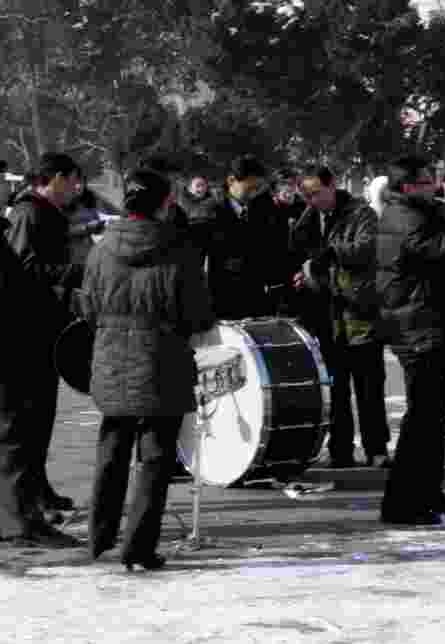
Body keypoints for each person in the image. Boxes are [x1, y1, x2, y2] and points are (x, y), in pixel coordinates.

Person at [80, 168, 215, 570]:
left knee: (111, 450)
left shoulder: (101, 249)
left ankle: (98, 537)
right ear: (164, 203)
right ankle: (138, 548)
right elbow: (197, 314)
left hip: (111, 359)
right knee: (155, 459)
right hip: (162, 361)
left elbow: (87, 308)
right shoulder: (178, 249)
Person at [375, 155, 445, 525]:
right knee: (420, 417)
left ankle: (429, 492)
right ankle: (402, 504)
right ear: (407, 187)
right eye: (426, 182)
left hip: (426, 321)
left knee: (432, 417)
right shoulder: (405, 218)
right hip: (415, 325)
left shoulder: (413, 213)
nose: (434, 186)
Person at [4, 152, 85, 514]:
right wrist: (74, 273)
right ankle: (26, 502)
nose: (76, 188)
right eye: (71, 180)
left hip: (50, 326)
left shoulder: (47, 213)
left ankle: (39, 487)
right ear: (53, 179)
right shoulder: (28, 212)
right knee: (28, 419)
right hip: (30, 329)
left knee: (43, 414)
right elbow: (24, 268)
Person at [298, 166, 391, 469]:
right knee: (335, 391)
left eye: (317, 193)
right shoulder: (309, 218)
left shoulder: (360, 213)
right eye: (306, 195)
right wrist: (304, 274)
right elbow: (299, 251)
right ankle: (340, 449)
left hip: (361, 315)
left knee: (369, 388)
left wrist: (332, 254)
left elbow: (368, 248)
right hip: (326, 316)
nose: (312, 200)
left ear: (332, 186)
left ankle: (377, 449)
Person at [193, 155, 291, 319]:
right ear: (231, 180)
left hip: (257, 302)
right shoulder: (209, 213)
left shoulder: (262, 211)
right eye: (250, 188)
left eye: (258, 189)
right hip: (221, 304)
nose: (254, 194)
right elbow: (195, 264)